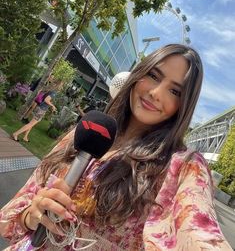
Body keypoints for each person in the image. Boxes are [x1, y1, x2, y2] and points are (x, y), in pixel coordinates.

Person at [0, 44, 233, 250]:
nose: (155, 93)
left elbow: (199, 229)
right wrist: (32, 215)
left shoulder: (182, 166)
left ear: (183, 105)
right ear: (138, 74)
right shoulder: (87, 131)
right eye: (153, 75)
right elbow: (11, 215)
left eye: (174, 91)